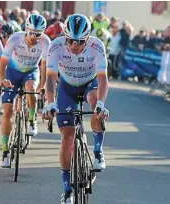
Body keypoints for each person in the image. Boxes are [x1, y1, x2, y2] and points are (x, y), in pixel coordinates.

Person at [42, 14, 110, 204]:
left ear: (87, 39)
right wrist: (50, 103)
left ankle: (98, 151)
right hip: (66, 87)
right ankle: (67, 189)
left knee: (94, 102)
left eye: (79, 41)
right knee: (67, 138)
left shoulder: (97, 46)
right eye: (70, 40)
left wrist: (101, 104)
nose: (73, 45)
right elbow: (50, 78)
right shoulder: (56, 45)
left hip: (90, 83)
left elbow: (103, 78)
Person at [0, 14, 50, 168]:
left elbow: (44, 66)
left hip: (30, 72)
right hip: (12, 73)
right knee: (7, 112)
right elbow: (2, 63)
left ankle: (32, 120)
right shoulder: (15, 38)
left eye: (38, 34)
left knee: (31, 88)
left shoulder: (46, 42)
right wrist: (2, 80)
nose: (34, 37)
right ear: (26, 29)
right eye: (32, 32)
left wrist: (43, 85)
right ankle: (5, 151)